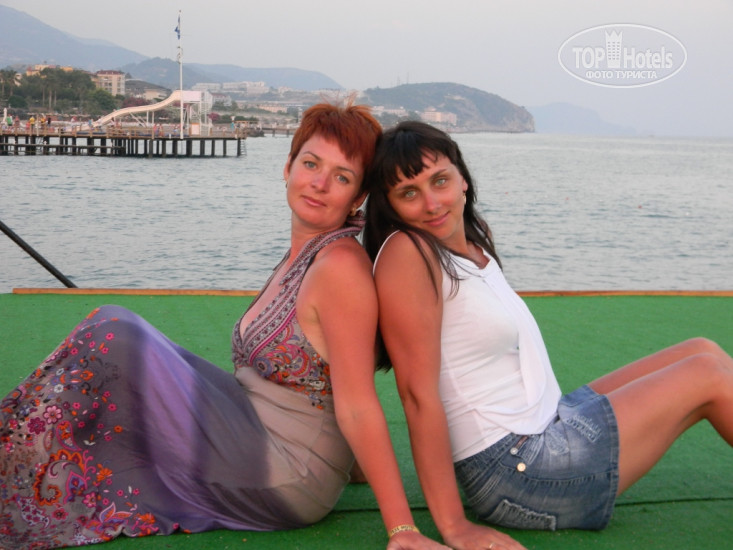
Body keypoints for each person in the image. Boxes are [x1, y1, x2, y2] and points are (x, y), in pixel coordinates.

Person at [0, 103, 447, 550]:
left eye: (342, 177)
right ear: (288, 167)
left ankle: (15, 461)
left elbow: (357, 403)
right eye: (311, 164)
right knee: (118, 356)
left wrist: (402, 529)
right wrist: (353, 468)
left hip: (286, 472)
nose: (320, 183)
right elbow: (328, 374)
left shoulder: (340, 267)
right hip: (255, 430)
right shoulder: (307, 252)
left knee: (113, 332)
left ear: (358, 197)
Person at [363, 120, 733, 550]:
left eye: (440, 181)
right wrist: (453, 525)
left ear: (462, 177)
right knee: (708, 374)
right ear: (390, 205)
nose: (431, 203)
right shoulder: (408, 253)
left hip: (550, 420)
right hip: (517, 470)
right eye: (409, 193)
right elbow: (416, 395)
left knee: (701, 349)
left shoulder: (472, 244)